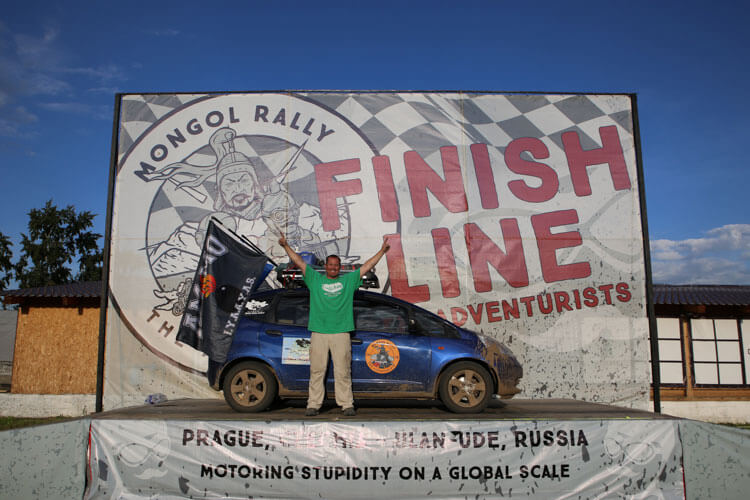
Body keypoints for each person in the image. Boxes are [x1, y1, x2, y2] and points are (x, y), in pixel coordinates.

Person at [278, 234, 391, 417]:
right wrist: (285, 246)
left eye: (336, 265)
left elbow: (367, 266)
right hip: (319, 333)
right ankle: (314, 404)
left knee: (343, 371)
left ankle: (346, 404)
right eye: (330, 265)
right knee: (317, 370)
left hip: (341, 333)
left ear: (339, 268)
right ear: (325, 267)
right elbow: (299, 262)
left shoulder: (348, 281)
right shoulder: (315, 279)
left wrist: (382, 251)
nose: (333, 268)